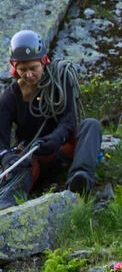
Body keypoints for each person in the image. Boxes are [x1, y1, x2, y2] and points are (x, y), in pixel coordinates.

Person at [0, 29, 102, 209]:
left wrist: (57, 137)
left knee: (91, 126)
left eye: (33, 68)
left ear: (44, 61)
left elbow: (69, 119)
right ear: (14, 67)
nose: (29, 75)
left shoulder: (61, 79)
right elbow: (1, 141)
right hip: (34, 156)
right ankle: (11, 199)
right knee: (20, 161)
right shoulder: (9, 98)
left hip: (61, 145)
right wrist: (6, 157)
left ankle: (80, 179)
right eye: (23, 70)